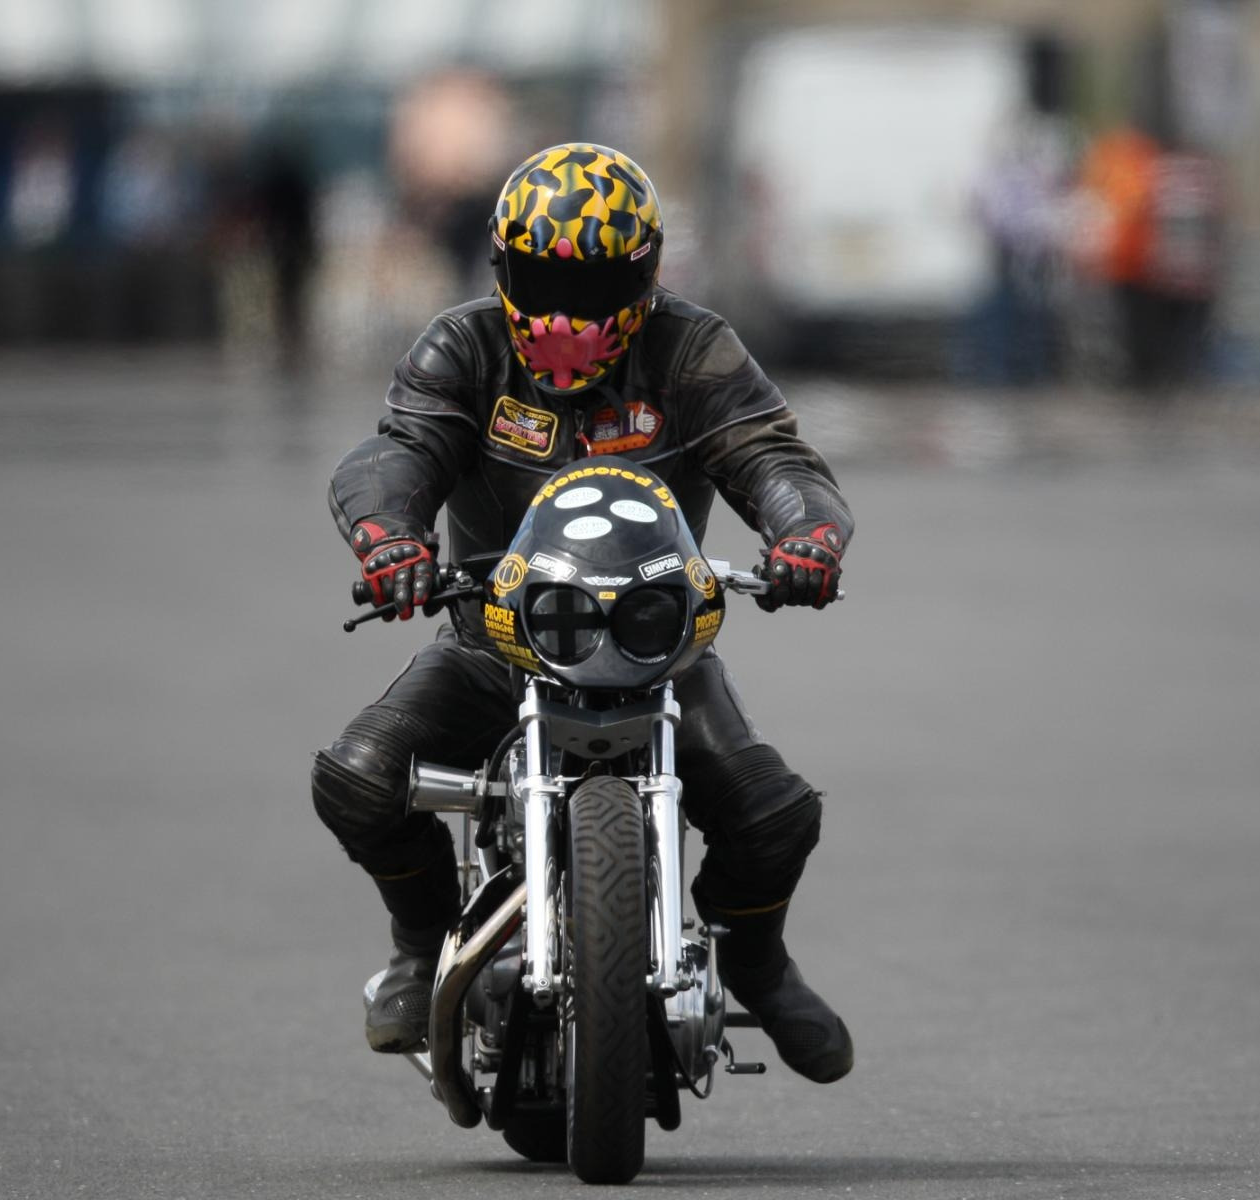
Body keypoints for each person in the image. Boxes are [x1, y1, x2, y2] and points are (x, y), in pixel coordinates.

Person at [311, 144, 855, 1084]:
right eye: (546, 279)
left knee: (775, 816)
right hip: (493, 640)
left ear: (644, 273)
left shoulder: (695, 348)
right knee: (359, 777)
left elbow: (773, 456)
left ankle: (760, 964)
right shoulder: (461, 346)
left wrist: (806, 534)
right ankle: (420, 943)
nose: (569, 307)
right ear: (502, 267)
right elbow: (398, 451)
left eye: (595, 283)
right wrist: (390, 537)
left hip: (658, 646)